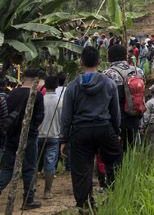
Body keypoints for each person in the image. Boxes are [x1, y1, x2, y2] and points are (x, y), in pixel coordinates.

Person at [60, 47, 122, 213]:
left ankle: (85, 204)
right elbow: (115, 112)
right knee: (115, 161)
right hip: (104, 128)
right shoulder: (109, 83)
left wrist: (64, 139)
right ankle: (114, 193)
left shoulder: (73, 86)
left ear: (81, 62)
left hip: (80, 130)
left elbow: (66, 115)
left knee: (81, 169)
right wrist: (116, 133)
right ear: (99, 62)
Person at [0, 68, 45, 209]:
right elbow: (39, 117)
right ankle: (28, 199)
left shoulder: (12, 94)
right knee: (29, 168)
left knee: (7, 168)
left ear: (23, 78)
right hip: (29, 137)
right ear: (35, 80)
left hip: (11, 136)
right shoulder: (37, 95)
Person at [103, 44, 145, 149]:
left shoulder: (107, 74)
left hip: (116, 119)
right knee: (133, 148)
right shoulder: (138, 71)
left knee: (117, 149)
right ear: (125, 56)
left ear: (109, 57)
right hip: (135, 115)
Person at [38, 75, 64, 199]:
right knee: (50, 163)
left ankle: (30, 190)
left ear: (45, 86)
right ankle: (47, 191)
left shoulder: (40, 100)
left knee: (33, 163)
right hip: (54, 136)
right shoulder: (60, 101)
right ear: (56, 86)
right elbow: (63, 120)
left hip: (39, 135)